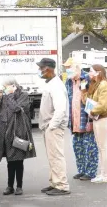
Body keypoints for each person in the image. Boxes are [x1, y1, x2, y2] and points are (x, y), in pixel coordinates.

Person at [0, 77, 36, 196]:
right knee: (9, 161)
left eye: (6, 87)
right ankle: (9, 186)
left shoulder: (23, 95)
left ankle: (19, 186)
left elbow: (16, 109)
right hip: (5, 131)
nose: (5, 89)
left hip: (18, 131)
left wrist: (10, 95)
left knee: (18, 160)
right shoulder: (4, 96)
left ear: (13, 86)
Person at [37, 58, 70, 196]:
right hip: (49, 126)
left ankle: (62, 185)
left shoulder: (56, 85)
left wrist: (52, 126)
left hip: (53, 127)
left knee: (56, 156)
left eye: (41, 68)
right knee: (52, 156)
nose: (40, 71)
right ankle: (54, 182)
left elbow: (60, 109)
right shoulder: (50, 84)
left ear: (48, 69)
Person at [63, 58, 98, 181]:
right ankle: (81, 170)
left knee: (89, 147)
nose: (67, 70)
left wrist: (91, 120)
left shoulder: (87, 79)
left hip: (86, 119)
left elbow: (92, 100)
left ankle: (91, 171)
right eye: (66, 68)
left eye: (69, 68)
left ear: (77, 68)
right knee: (77, 147)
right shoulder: (68, 81)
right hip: (74, 121)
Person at [85, 64, 107, 183]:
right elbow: (89, 100)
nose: (89, 73)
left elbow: (103, 104)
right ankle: (102, 173)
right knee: (101, 147)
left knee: (103, 147)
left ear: (98, 72)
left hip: (103, 118)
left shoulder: (104, 85)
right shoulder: (95, 84)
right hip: (97, 118)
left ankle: (105, 175)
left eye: (91, 71)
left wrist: (92, 111)